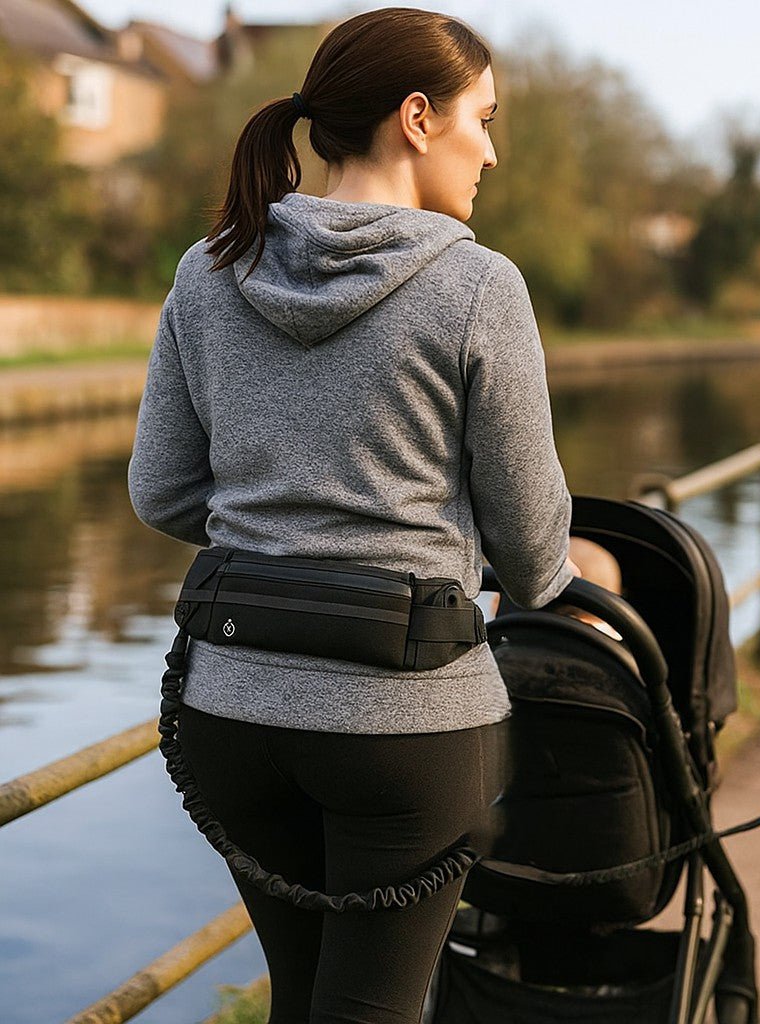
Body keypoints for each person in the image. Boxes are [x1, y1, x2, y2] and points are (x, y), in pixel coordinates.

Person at [126, 8, 580, 1023]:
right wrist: (547, 573)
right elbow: (530, 544)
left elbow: (160, 490)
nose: (493, 151)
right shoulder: (476, 286)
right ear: (418, 118)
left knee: (304, 998)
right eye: (484, 117)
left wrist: (288, 547)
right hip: (405, 721)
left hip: (231, 706)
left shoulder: (209, 270)